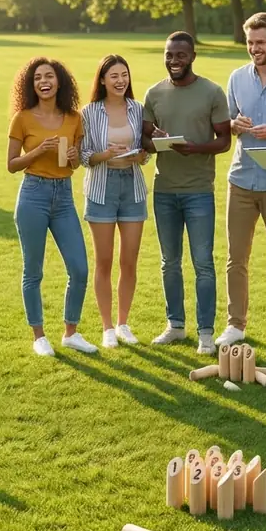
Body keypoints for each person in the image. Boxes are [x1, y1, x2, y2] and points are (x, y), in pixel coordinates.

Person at [142, 32, 233, 353]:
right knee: (169, 262)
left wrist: (193, 148)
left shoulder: (211, 92)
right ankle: (176, 326)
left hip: (198, 192)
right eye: (169, 55)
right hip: (164, 190)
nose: (174, 61)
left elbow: (225, 140)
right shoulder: (154, 93)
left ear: (192, 56)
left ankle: (206, 332)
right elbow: (144, 140)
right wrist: (159, 141)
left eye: (180, 55)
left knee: (203, 263)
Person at [6, 57, 95, 356]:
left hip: (64, 197)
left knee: (80, 269)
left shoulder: (73, 118)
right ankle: (39, 336)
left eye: (49, 77)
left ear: (60, 82)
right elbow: (11, 165)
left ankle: (71, 332)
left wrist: (72, 155)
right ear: (31, 85)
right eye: (37, 78)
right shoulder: (22, 118)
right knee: (33, 271)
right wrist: (37, 151)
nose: (44, 82)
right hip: (33, 195)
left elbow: (77, 162)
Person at [218, 12, 266, 351]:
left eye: (260, 43)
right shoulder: (237, 77)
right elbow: (228, 122)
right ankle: (236, 324)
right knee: (236, 257)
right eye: (250, 43)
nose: (254, 49)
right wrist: (235, 126)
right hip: (241, 179)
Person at [80, 55, 151, 348]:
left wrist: (141, 156)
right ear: (102, 80)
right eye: (114, 76)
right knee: (104, 261)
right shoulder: (89, 112)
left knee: (129, 261)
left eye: (124, 75)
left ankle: (123, 323)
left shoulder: (138, 109)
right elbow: (83, 155)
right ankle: (107, 327)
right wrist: (104, 155)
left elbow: (146, 151)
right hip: (101, 189)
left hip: (132, 188)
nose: (121, 81)